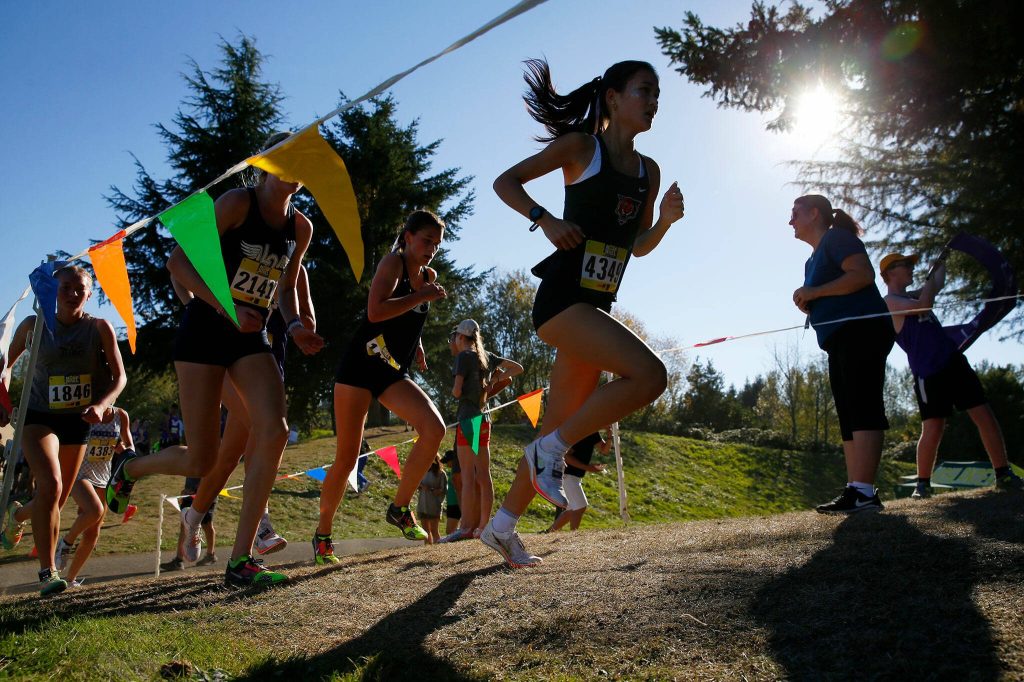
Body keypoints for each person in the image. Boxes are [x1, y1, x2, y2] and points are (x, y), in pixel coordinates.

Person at [483, 58, 683, 567]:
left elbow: (634, 246)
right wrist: (545, 220)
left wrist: (663, 223)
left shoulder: (649, 171)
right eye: (644, 91)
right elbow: (505, 182)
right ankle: (550, 451)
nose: (654, 101)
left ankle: (502, 527)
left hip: (596, 304)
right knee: (650, 375)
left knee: (557, 421)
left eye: (658, 93)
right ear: (613, 98)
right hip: (563, 300)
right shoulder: (581, 148)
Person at [105, 131, 324, 587]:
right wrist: (228, 307)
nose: (300, 165)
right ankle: (130, 467)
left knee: (274, 429)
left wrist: (299, 325)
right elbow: (178, 263)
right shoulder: (236, 204)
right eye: (289, 156)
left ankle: (242, 558)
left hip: (250, 338)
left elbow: (285, 288)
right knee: (202, 459)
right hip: (205, 330)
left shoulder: (300, 228)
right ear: (264, 163)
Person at [314, 210, 448, 564]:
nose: (431, 249)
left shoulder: (429, 276)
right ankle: (323, 535)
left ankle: (399, 508)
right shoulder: (393, 264)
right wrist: (420, 298)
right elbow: (375, 312)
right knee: (346, 458)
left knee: (434, 429)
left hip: (391, 372)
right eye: (426, 241)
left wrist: (415, 346)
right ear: (407, 237)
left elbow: (406, 322)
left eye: (437, 244)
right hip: (359, 368)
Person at [178, 261, 318, 563]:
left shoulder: (294, 267)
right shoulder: (236, 246)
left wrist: (299, 325)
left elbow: (307, 316)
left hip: (267, 365)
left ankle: (193, 516)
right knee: (263, 429)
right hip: (229, 359)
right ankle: (261, 526)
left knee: (227, 457)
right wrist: (196, 307)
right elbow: (178, 270)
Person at [0, 264, 126, 595]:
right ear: (54, 291)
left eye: (79, 289)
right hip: (38, 416)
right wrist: (3, 399)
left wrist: (102, 405)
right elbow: (5, 365)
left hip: (79, 420)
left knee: (56, 496)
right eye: (65, 287)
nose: (72, 294)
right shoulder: (33, 326)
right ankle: (48, 571)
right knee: (52, 484)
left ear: (89, 293)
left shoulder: (99, 328)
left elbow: (119, 377)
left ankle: (19, 515)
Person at [880, 253, 1023, 497]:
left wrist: (942, 257)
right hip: (927, 372)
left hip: (953, 361)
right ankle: (922, 485)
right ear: (891, 272)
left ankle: (1003, 474)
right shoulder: (889, 301)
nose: (911, 270)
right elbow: (925, 303)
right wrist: (929, 285)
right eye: (906, 265)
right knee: (934, 427)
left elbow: (937, 284)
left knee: (983, 413)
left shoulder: (913, 295)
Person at [789, 194, 895, 513]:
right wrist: (810, 302)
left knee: (863, 404)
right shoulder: (812, 260)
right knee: (848, 412)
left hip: (862, 330)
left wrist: (814, 292)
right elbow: (831, 289)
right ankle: (856, 489)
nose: (790, 220)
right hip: (838, 337)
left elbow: (862, 275)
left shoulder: (838, 238)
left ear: (814, 213)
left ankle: (864, 491)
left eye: (795, 213)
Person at [442, 319, 523, 542]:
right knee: (483, 476)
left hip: (468, 419)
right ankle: (483, 526)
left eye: (454, 339)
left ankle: (467, 526)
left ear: (460, 337)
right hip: (484, 418)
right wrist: (494, 379)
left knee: (468, 477)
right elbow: (517, 368)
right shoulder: (486, 355)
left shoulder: (463, 357)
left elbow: (457, 392)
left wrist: (460, 388)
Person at [55, 405, 133, 586]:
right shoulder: (85, 411)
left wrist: (126, 453)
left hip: (103, 476)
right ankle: (65, 543)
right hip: (78, 473)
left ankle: (71, 579)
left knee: (92, 533)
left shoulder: (121, 415)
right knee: (94, 510)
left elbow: (128, 446)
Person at [545, 430, 611, 533]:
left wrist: (609, 436)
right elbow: (566, 456)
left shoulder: (593, 432)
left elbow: (604, 450)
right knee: (580, 506)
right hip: (567, 474)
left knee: (571, 510)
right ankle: (573, 536)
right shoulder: (580, 432)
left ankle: (549, 532)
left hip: (574, 476)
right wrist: (587, 467)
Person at [416, 454, 447, 544]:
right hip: (422, 504)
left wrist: (431, 489)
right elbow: (417, 485)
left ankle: (438, 548)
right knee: (425, 531)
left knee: (434, 530)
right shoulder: (422, 471)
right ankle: (427, 548)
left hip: (434, 505)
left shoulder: (441, 474)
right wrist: (421, 486)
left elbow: (443, 490)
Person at [439, 448, 462, 536]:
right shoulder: (451, 472)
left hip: (456, 504)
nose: (446, 463)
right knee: (451, 530)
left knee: (450, 531)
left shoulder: (458, 472)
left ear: (453, 460)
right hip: (451, 503)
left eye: (447, 461)